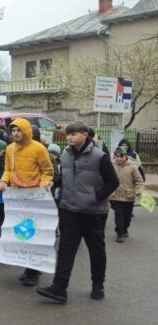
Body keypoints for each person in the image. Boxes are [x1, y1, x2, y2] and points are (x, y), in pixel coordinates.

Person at [37, 122, 119, 304]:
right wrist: (54, 182)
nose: (69, 137)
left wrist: (96, 197)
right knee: (66, 249)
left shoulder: (100, 156)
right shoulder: (65, 154)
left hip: (94, 213)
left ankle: (98, 284)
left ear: (85, 134)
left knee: (96, 250)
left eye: (73, 134)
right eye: (68, 134)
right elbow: (64, 177)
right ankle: (59, 288)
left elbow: (113, 182)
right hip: (69, 210)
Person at [0, 118, 54, 287]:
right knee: (22, 233)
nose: (15, 134)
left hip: (34, 197)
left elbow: (48, 171)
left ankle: (34, 272)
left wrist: (44, 184)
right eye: (13, 130)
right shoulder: (10, 149)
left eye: (19, 130)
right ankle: (28, 269)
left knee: (34, 234)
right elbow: (8, 170)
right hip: (17, 198)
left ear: (27, 131)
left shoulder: (39, 148)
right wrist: (3, 181)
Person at [109, 147, 144, 243]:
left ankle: (125, 228)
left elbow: (139, 181)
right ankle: (119, 233)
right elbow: (106, 179)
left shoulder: (132, 167)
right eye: (117, 156)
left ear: (126, 156)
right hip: (115, 196)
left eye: (121, 156)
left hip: (129, 197)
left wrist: (139, 190)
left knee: (127, 217)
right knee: (119, 215)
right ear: (114, 157)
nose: (119, 158)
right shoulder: (111, 166)